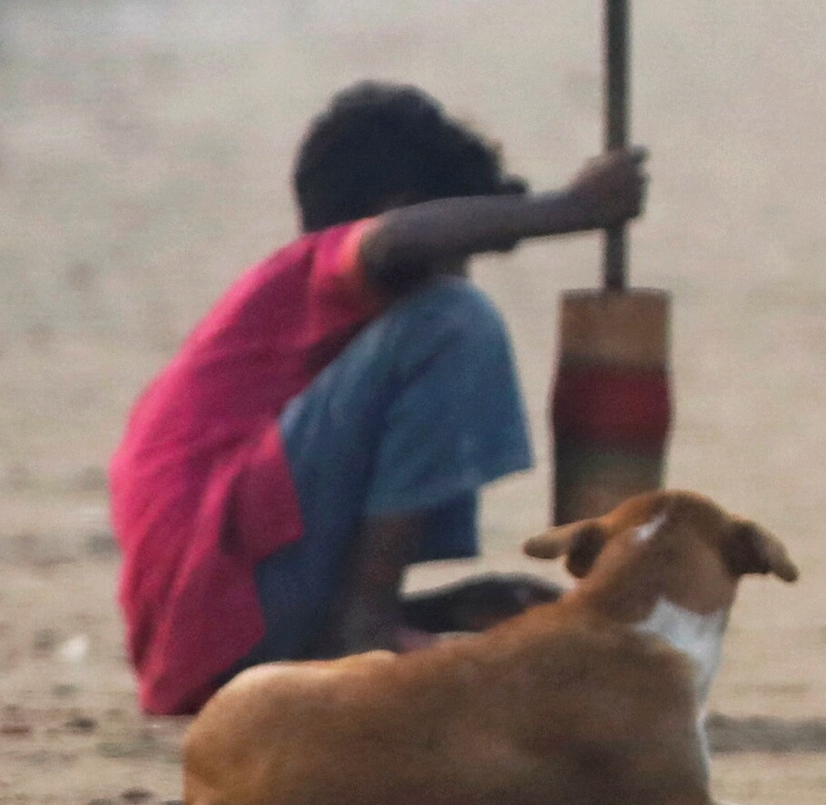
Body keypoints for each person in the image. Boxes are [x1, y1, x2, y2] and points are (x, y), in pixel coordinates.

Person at [107, 87, 642, 717]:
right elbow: (390, 245)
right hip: (214, 620)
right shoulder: (319, 268)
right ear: (400, 212)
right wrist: (573, 208)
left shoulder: (316, 342)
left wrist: (447, 609)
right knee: (453, 320)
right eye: (457, 249)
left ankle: (373, 618)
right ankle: (368, 626)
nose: (460, 271)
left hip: (226, 633)